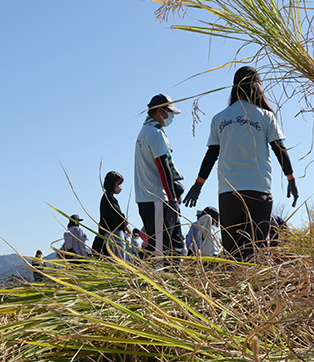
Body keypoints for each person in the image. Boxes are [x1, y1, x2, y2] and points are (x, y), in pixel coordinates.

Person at [183, 66, 299, 261]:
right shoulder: (265, 116)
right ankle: (256, 288)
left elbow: (211, 154)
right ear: (257, 86)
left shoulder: (220, 118)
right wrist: (291, 179)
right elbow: (279, 149)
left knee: (232, 249)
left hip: (229, 192)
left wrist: (198, 185)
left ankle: (233, 288)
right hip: (258, 190)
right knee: (257, 250)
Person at [134, 93, 186, 258]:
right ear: (159, 111)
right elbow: (163, 168)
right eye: (169, 112)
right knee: (161, 250)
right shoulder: (155, 134)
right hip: (156, 198)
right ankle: (160, 281)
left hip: (151, 198)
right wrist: (172, 199)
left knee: (171, 244)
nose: (170, 116)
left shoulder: (146, 132)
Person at [92, 170, 132, 259]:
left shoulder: (107, 198)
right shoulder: (109, 199)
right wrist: (128, 229)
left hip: (108, 232)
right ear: (112, 184)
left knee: (115, 258)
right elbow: (119, 216)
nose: (120, 187)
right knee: (119, 258)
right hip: (115, 232)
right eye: (118, 184)